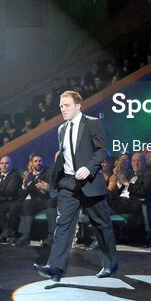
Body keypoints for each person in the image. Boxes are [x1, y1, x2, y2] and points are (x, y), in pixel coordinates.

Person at [35, 91, 118, 281]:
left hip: (89, 182)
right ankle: (55, 268)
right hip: (69, 184)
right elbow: (65, 156)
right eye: (61, 106)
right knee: (63, 224)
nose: (63, 109)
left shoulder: (92, 123)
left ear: (78, 105)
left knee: (102, 225)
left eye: (66, 105)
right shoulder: (61, 129)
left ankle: (109, 264)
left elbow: (101, 150)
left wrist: (89, 168)